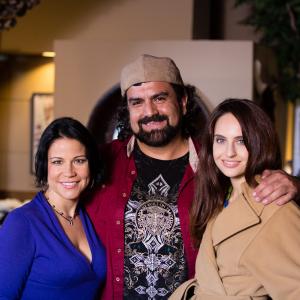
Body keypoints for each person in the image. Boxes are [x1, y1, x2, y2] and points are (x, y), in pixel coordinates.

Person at [86, 54, 300, 300]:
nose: (150, 111)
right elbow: (57, 200)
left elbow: (263, 207)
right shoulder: (99, 162)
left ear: (184, 101)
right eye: (137, 102)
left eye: (160, 98)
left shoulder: (215, 164)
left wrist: (295, 184)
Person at [170, 99, 300, 300]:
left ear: (259, 142)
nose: (229, 152)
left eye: (241, 141)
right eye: (221, 140)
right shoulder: (220, 196)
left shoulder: (276, 206)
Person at [0, 117, 106, 300]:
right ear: (44, 166)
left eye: (79, 161)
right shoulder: (22, 223)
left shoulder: (91, 215)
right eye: (58, 162)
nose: (69, 172)